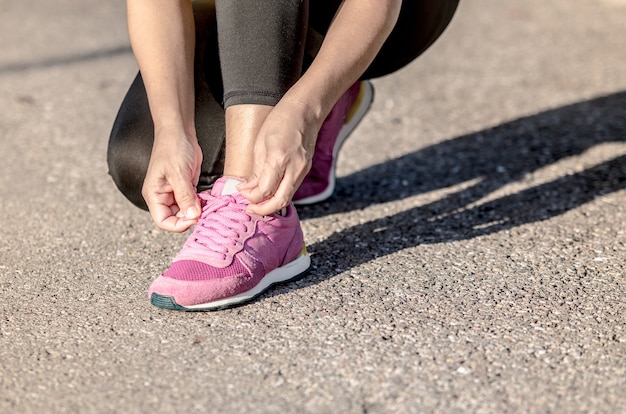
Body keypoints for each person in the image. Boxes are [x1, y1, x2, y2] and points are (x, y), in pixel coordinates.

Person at [107, 0, 459, 311]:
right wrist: (173, 130)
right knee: (142, 165)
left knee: (247, 174)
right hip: (241, 18)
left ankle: (255, 207)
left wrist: (305, 111)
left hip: (390, 14)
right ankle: (318, 102)